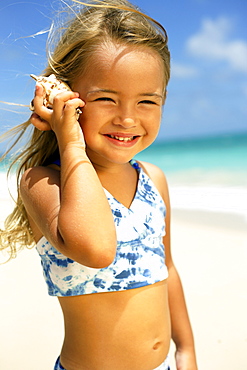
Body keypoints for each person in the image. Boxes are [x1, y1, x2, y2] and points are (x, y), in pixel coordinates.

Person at [0, 0, 198, 369]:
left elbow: (166, 268)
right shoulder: (43, 181)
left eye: (146, 101)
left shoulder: (153, 179)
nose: (127, 118)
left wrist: (186, 351)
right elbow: (96, 249)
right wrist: (70, 140)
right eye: (106, 98)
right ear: (67, 98)